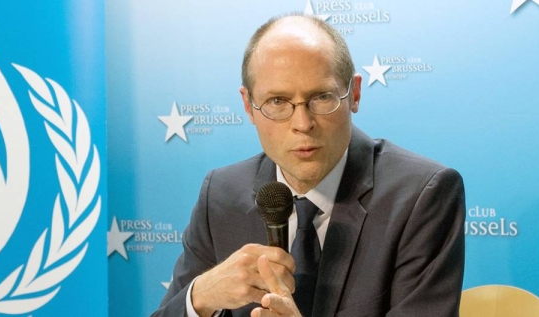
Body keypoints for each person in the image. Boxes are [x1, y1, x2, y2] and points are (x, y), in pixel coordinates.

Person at [152, 12, 465, 317]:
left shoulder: (421, 195)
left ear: (354, 94)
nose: (302, 123)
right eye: (277, 101)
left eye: (321, 97)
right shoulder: (220, 194)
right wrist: (202, 295)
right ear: (248, 106)